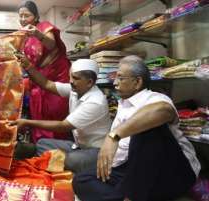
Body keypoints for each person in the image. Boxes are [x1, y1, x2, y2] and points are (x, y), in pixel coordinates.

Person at [72, 56, 201, 201]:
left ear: (137, 82)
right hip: (132, 170)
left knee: (145, 129)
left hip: (172, 171)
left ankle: (133, 194)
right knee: (81, 180)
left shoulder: (153, 98)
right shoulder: (123, 103)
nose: (115, 83)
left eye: (120, 78)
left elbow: (163, 110)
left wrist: (113, 136)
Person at [11, 58, 111, 173]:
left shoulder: (95, 101)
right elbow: (47, 84)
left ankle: (70, 163)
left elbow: (63, 126)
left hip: (97, 151)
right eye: (71, 77)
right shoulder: (76, 89)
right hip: (78, 146)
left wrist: (26, 122)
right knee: (42, 143)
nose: (71, 81)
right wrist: (29, 67)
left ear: (89, 82)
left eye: (76, 78)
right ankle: (64, 161)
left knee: (71, 160)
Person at [18, 1, 71, 142]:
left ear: (35, 17)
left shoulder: (43, 27)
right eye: (20, 16)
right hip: (38, 80)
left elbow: (51, 44)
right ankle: (42, 147)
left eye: (26, 15)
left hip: (55, 78)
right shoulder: (24, 37)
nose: (23, 19)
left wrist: (37, 34)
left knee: (55, 113)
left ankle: (59, 147)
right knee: (38, 115)